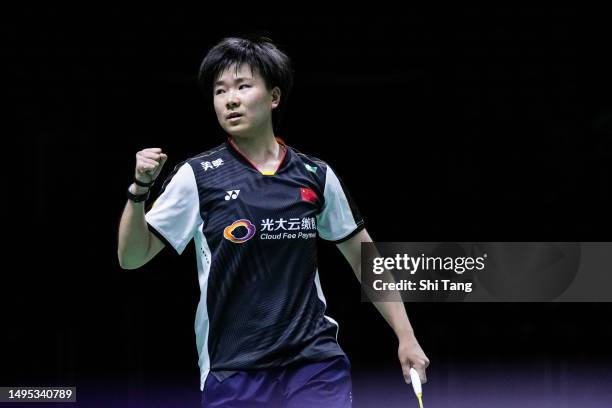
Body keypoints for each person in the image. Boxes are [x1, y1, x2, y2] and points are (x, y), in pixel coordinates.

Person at [117, 36, 429, 408]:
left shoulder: (315, 175)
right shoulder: (197, 176)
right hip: (234, 368)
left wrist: (406, 336)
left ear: (274, 97)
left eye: (243, 86)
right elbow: (132, 257)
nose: (230, 99)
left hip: (314, 361)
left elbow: (365, 258)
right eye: (220, 91)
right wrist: (139, 190)